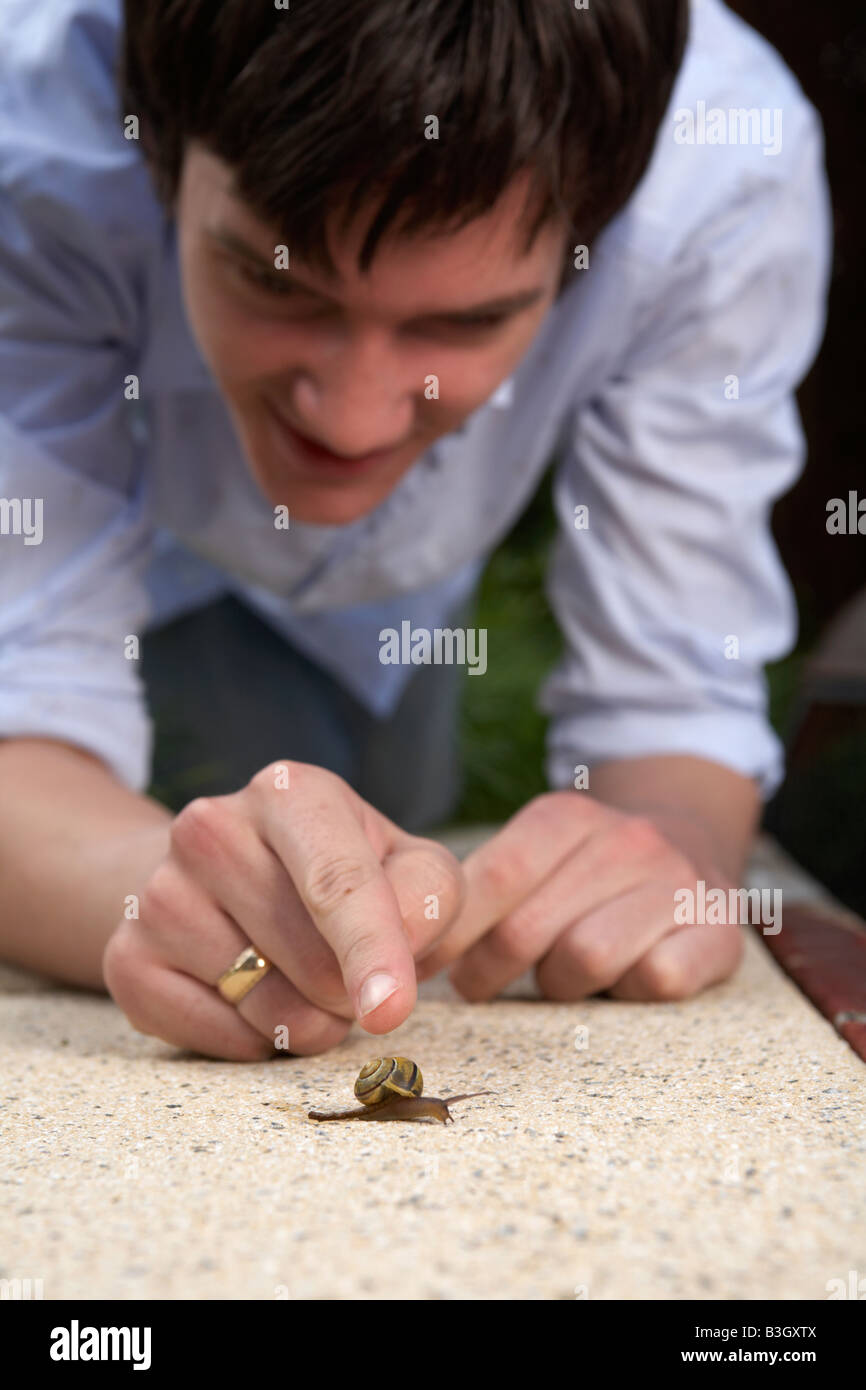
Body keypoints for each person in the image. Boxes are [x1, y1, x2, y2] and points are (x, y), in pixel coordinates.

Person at [0, 0, 832, 1060]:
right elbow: (21, 690)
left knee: (372, 854)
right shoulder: (31, 132)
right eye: (273, 281)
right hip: (145, 550)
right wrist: (142, 891)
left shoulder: (724, 173)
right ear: (155, 149)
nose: (351, 417)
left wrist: (666, 847)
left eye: (464, 319)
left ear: (602, 226)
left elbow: (674, 700)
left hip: (408, 613)